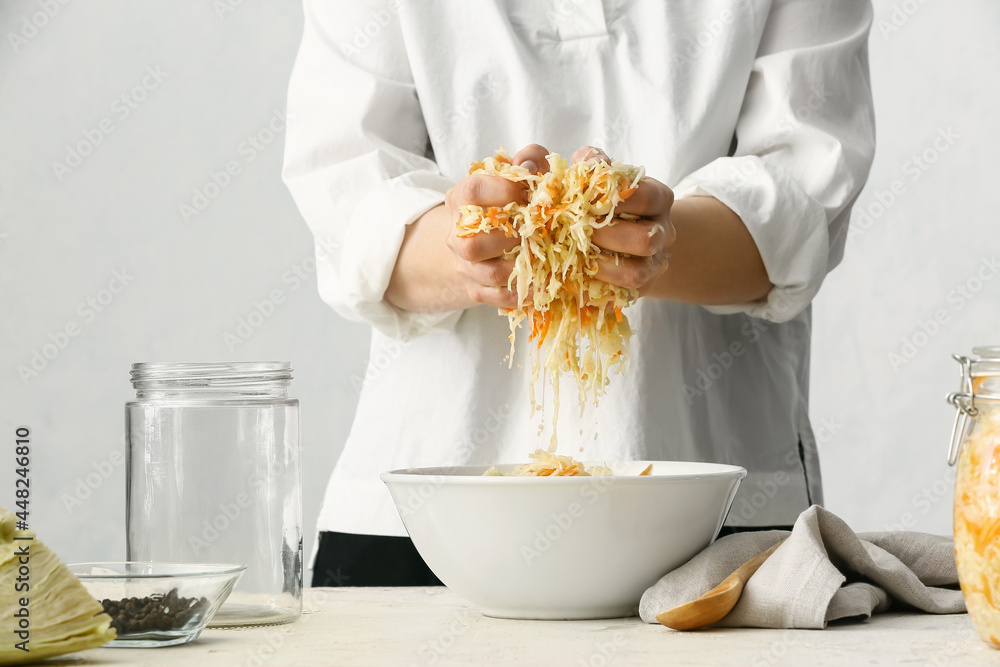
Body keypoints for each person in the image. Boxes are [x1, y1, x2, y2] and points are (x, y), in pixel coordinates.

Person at [283, 0, 876, 586]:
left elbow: (803, 194)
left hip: (717, 503)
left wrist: (647, 241)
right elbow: (349, 200)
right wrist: (478, 250)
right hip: (427, 510)